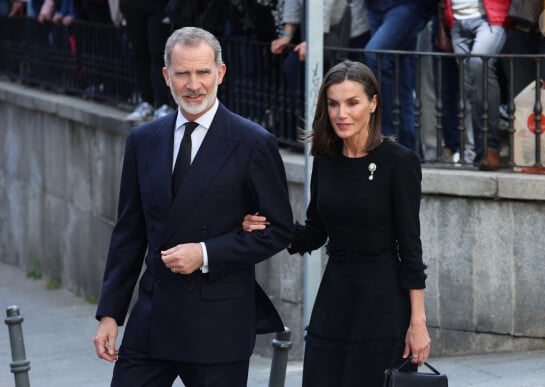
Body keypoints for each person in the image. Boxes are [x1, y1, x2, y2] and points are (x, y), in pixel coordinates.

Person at [93, 26, 294, 386]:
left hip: (219, 324)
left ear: (220, 73)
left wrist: (204, 253)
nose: (193, 84)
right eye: (183, 73)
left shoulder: (253, 142)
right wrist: (110, 314)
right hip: (153, 318)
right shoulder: (143, 140)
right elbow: (129, 232)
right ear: (167, 76)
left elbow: (278, 230)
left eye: (203, 72)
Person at [243, 60, 431, 387]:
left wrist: (418, 321)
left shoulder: (399, 162)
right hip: (335, 298)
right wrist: (270, 229)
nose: (341, 113)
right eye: (333, 104)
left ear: (373, 104)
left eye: (352, 102)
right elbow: (315, 231)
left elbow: (410, 247)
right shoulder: (326, 161)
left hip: (383, 303)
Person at [442, 0, 512, 170]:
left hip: (489, 17)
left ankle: (491, 147)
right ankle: (481, 151)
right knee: (471, 89)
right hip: (456, 21)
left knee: (479, 62)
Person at [364, 0, 438, 155]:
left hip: (408, 6)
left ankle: (387, 143)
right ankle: (409, 152)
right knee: (402, 79)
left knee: (375, 55)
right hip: (376, 7)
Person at [121, 0, 174, 122]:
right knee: (139, 54)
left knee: (158, 53)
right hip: (133, 7)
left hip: (158, 6)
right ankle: (147, 102)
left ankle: (163, 104)